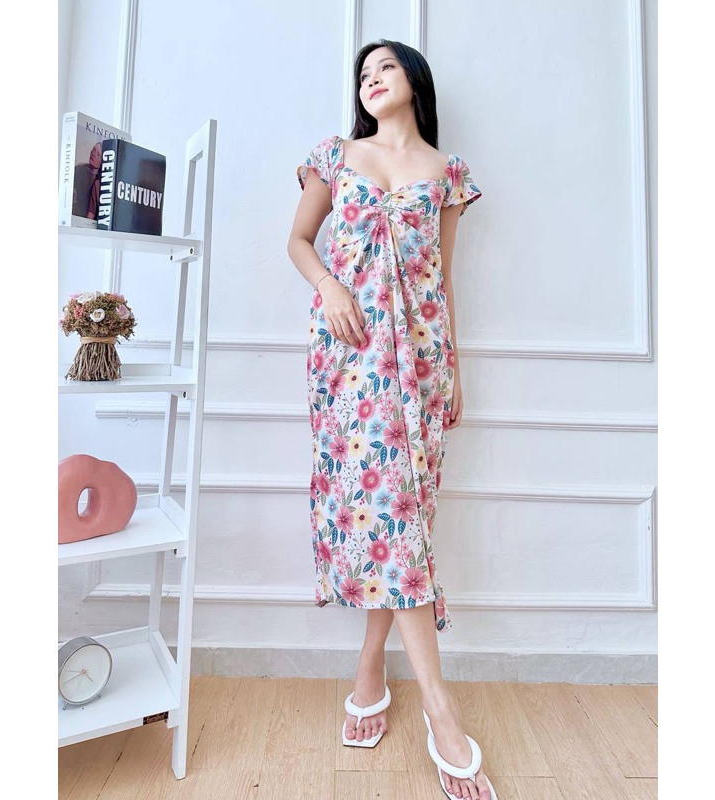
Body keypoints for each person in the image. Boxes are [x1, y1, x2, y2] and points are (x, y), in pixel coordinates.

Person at [287, 39, 494, 800]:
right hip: (349, 361)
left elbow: (443, 281)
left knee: (401, 521)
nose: (371, 80)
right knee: (385, 518)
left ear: (414, 80)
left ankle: (371, 669)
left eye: (385, 68)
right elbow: (297, 240)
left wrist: (455, 367)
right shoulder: (336, 156)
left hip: (423, 363)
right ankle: (441, 711)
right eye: (363, 74)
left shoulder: (449, 175)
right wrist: (330, 287)